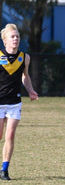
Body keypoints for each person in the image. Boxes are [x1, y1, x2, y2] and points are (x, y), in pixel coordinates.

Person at [0, 23, 39, 180]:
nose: (16, 39)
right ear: (5, 41)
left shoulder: (25, 57)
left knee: (10, 135)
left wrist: (30, 90)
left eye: (17, 36)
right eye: (12, 37)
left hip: (14, 103)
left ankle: (4, 170)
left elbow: (25, 76)